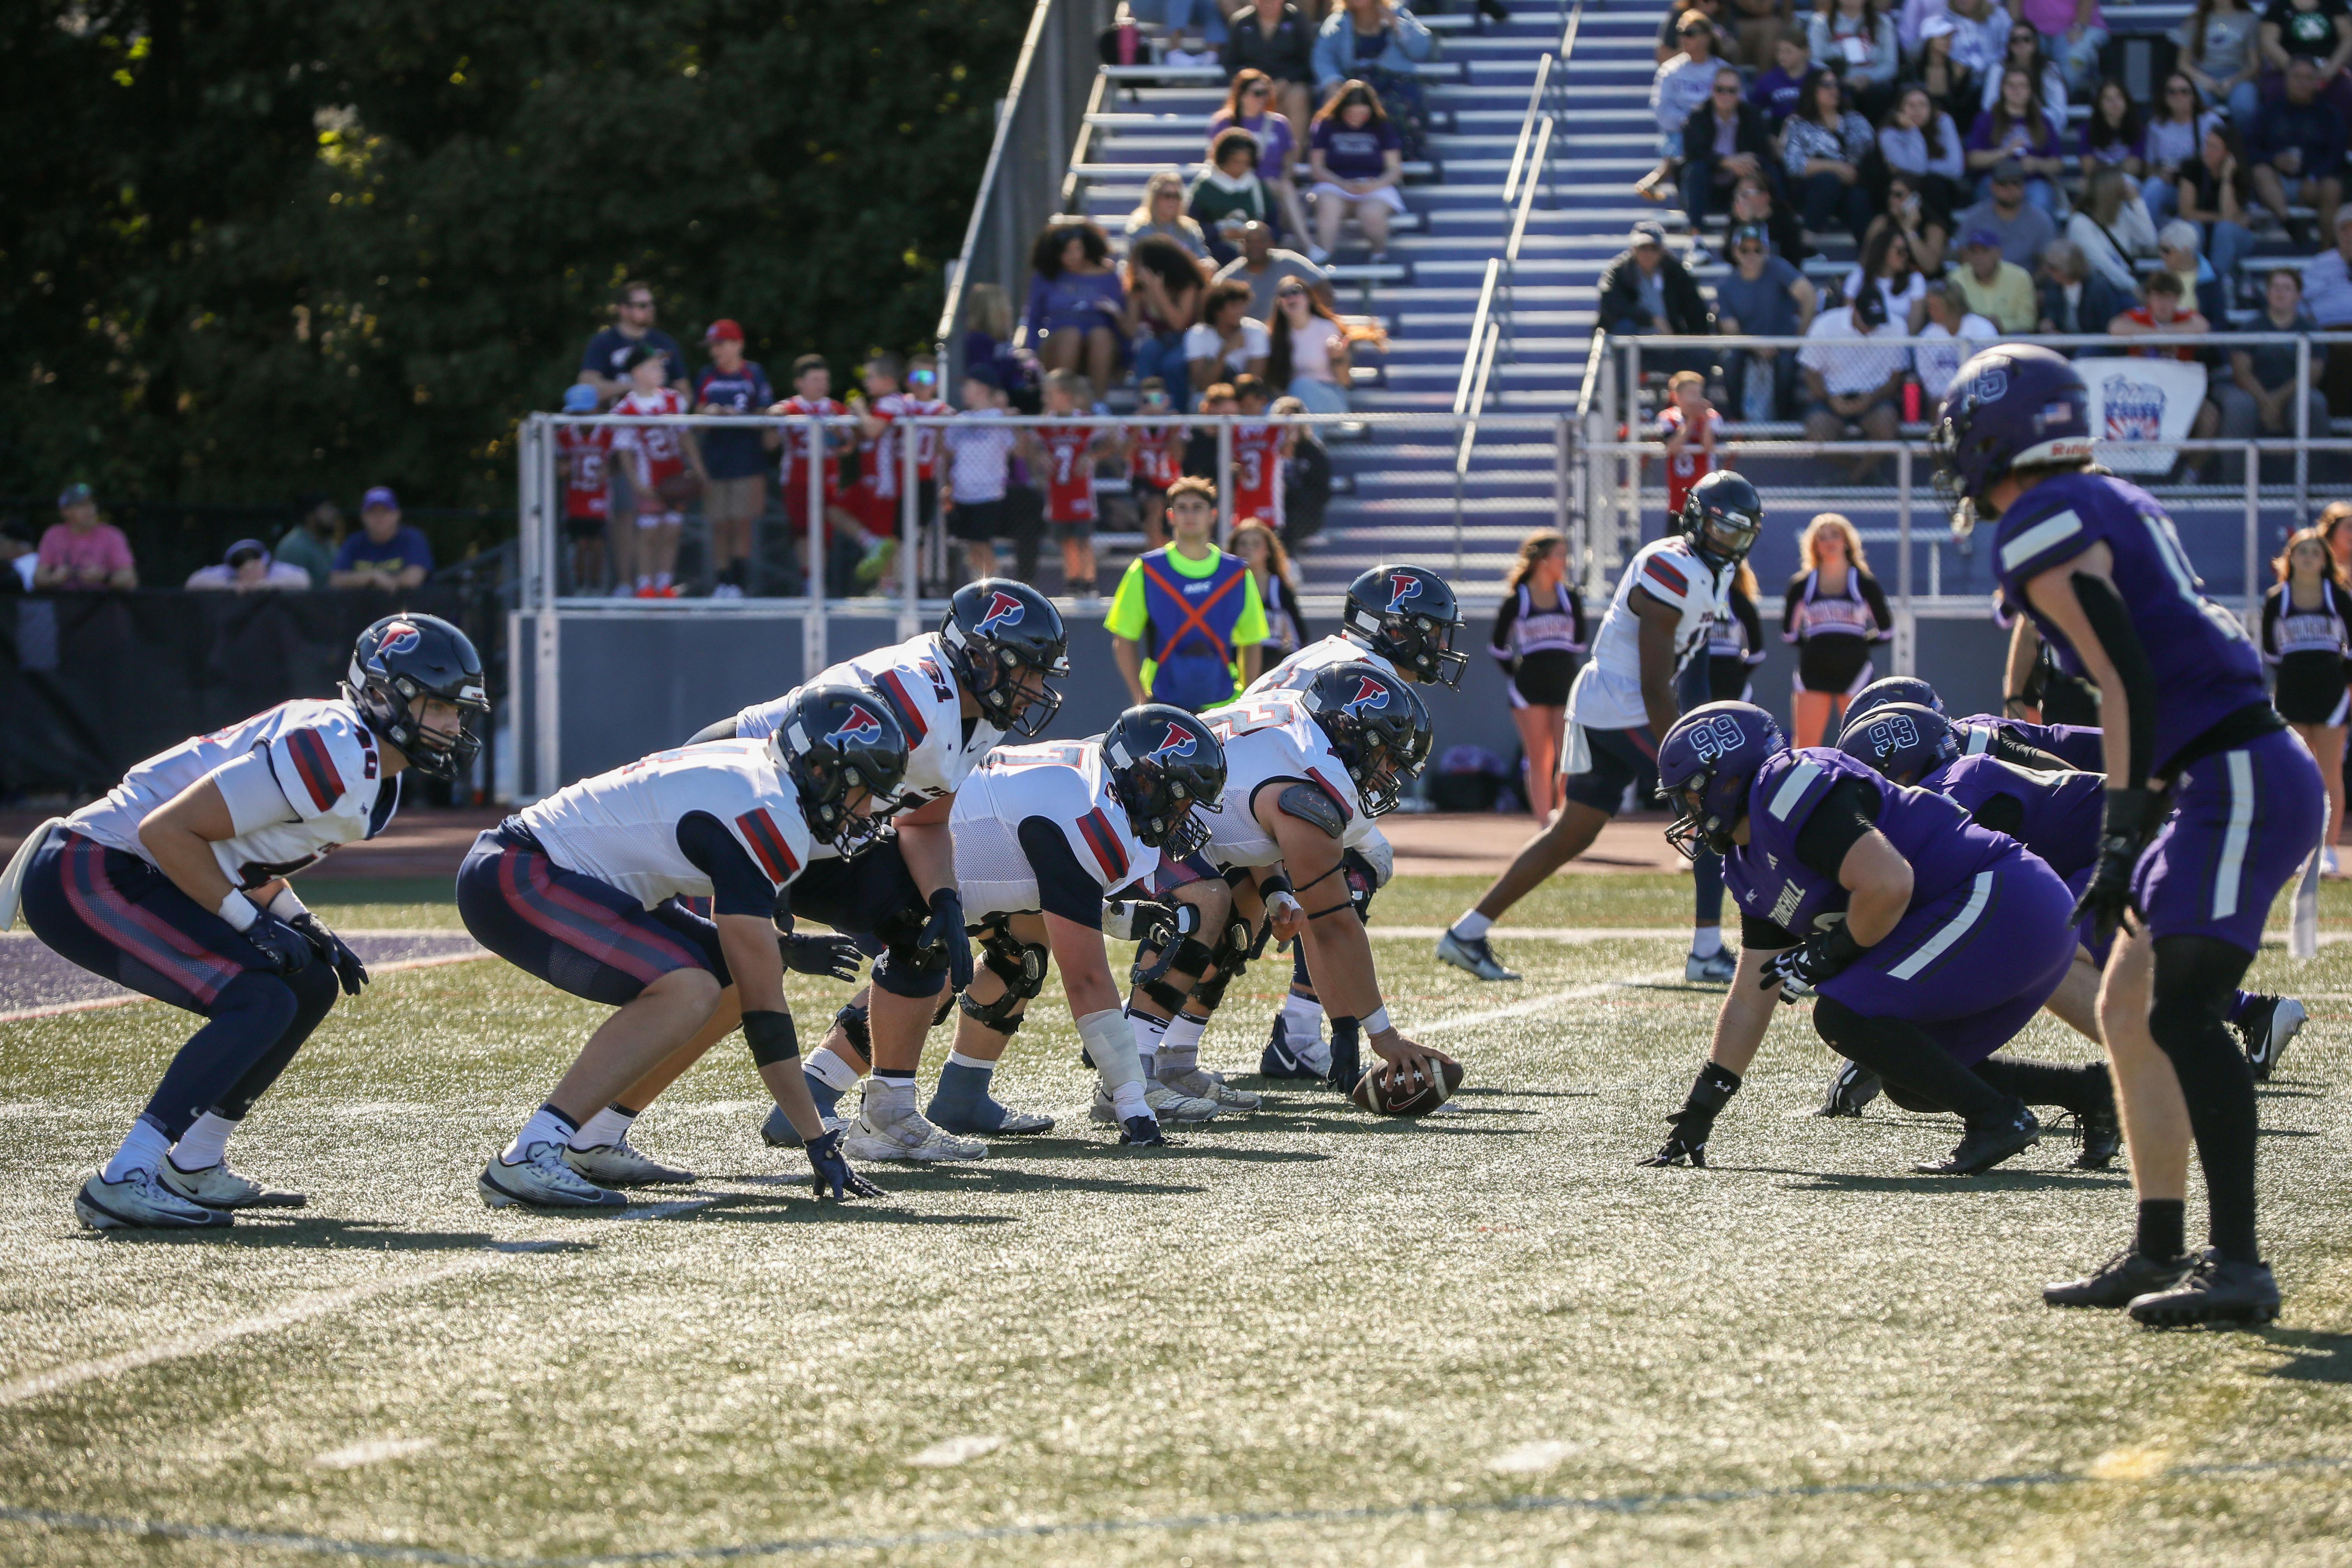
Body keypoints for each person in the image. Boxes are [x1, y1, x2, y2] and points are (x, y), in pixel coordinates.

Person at [1941, 342, 2322, 1325]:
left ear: (1995, 434)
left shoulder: (2039, 520)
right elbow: (2144, 673)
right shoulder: (2106, 496)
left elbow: (2124, 680)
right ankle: (2158, 1247)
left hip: (2233, 777)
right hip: (2221, 770)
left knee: (2185, 1009)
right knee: (2124, 1006)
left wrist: (2116, 837)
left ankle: (2236, 1263)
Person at [18, 617, 485, 1226]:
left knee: (310, 980)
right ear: (380, 693)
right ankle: (126, 1175)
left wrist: (299, 921)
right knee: (258, 998)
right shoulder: (335, 750)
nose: (452, 725)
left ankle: (195, 1161)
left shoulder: (367, 763)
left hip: (142, 866)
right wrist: (249, 921)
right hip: (91, 870)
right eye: (439, 706)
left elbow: (240, 856)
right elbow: (166, 832)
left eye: (458, 710)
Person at [464, 686, 900, 1207]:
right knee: (689, 988)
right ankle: (530, 1153)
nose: (869, 809)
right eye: (864, 789)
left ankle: (594, 1137)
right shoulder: (771, 813)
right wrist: (816, 1138)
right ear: (823, 772)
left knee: (727, 977)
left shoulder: (765, 775)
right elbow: (768, 1019)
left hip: (565, 876)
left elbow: (744, 953)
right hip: (519, 874)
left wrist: (778, 949)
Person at [691, 583, 1073, 1160]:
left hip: (818, 822)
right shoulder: (913, 694)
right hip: (735, 801)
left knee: (921, 930)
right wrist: (764, 879)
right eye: (1030, 672)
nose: (1039, 690)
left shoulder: (980, 709)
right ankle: (587, 1130)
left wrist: (944, 899)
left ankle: (889, 1113)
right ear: (980, 657)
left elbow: (921, 821)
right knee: (695, 983)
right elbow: (800, 769)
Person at [1642, 702, 2080, 1176]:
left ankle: (1997, 1120)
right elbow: (1752, 991)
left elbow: (1888, 883)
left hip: (2005, 899)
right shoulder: (1746, 865)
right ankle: (2091, 1095)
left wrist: (1827, 952)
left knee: (1844, 1013)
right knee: (1911, 1078)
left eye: (1689, 793)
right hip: (2001, 915)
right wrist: (1701, 1109)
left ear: (1727, 778)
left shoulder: (1786, 786)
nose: (1685, 809)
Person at [1438, 473, 1765, 987]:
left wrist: (1704, 722)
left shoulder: (1713, 572)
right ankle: (1706, 950)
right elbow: (1656, 683)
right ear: (1698, 521)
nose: (1728, 541)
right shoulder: (1669, 567)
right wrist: (1685, 754)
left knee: (1574, 830)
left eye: (1739, 533)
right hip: (1622, 704)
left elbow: (1695, 660)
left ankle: (1466, 931)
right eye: (1722, 529)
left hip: (1614, 703)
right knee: (1712, 807)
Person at [924, 706, 1234, 1145]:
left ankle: (961, 1096)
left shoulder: (1099, 784)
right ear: (1143, 782)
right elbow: (1086, 978)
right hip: (924, 862)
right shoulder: (1091, 812)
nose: (1184, 816)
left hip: (962, 856)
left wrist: (1110, 913)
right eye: (1181, 799)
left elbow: (1056, 880)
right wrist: (1132, 1102)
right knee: (914, 969)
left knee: (1020, 954)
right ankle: (822, 1094)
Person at [1241, 564, 1463, 1078]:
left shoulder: (1331, 654)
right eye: (1430, 631)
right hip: (1256, 812)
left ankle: (1293, 1031)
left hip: (1253, 802)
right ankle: (1298, 1033)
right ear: (1393, 627)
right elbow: (1318, 779)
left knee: (1350, 860)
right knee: (1356, 867)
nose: (1438, 645)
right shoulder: (1364, 674)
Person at [1109, 476, 1271, 710]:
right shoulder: (1145, 570)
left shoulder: (1237, 573)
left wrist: (1246, 700)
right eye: (1182, 508)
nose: (1190, 515)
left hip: (1224, 702)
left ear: (1212, 515)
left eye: (1198, 508)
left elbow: (1252, 641)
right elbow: (1123, 639)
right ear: (1171, 516)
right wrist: (1141, 700)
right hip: (1162, 701)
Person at [2262, 526, 2352, 875]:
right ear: (2290, 558)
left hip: (2331, 693)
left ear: (2326, 559)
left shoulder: (2339, 597)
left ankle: (2327, 849)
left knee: (2330, 772)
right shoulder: (2277, 598)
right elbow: (2271, 652)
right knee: (2296, 772)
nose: (2309, 558)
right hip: (2292, 693)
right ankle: (2295, 846)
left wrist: (2346, 687)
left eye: (2316, 552)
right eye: (2303, 552)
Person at [1490, 531, 1589, 822]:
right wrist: (1517, 672)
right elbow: (1497, 646)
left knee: (1567, 757)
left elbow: (1580, 642)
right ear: (1543, 560)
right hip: (1529, 685)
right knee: (1540, 758)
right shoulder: (1518, 599)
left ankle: (1564, 817)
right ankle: (1545, 823)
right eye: (1560, 554)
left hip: (1564, 680)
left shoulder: (1570, 597)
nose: (1565, 561)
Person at [771, 355, 882, 598]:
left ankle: (825, 574)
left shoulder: (834, 408)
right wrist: (774, 417)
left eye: (825, 379)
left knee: (827, 524)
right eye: (815, 379)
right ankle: (810, 581)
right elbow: (772, 434)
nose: (822, 384)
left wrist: (840, 437)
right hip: (798, 478)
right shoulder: (791, 407)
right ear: (800, 383)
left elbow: (848, 446)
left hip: (828, 475)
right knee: (804, 532)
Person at [1781, 513, 1895, 745]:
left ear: (1847, 541)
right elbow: (1788, 633)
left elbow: (1887, 630)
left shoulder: (1864, 582)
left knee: (1862, 746)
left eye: (1835, 535)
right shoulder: (1802, 584)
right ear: (1814, 546)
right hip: (1813, 674)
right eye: (1822, 538)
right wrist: (1815, 646)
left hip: (1855, 672)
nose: (1830, 541)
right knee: (1804, 749)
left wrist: (1858, 645)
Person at [607, 344, 706, 599]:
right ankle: (644, 584)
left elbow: (685, 438)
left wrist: (698, 469)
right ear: (638, 372)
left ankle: (665, 583)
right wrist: (637, 484)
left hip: (674, 472)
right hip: (648, 475)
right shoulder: (626, 409)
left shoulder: (674, 399)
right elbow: (625, 452)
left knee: (672, 529)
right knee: (649, 532)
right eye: (654, 366)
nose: (661, 370)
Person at [2218, 268, 2331, 475]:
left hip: (2293, 394)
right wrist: (2265, 402)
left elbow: (2313, 375)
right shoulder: (2250, 327)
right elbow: (2241, 372)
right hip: (2254, 394)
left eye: (2287, 288)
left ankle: (2313, 484)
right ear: (2268, 293)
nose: (2281, 293)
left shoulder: (2311, 330)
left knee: (2314, 403)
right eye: (2275, 288)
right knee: (2238, 405)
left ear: (2298, 295)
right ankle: (2233, 488)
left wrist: (2276, 402)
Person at [694, 319, 774, 600]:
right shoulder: (707, 375)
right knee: (719, 523)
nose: (715, 351)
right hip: (716, 460)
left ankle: (739, 581)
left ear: (738, 344)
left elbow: (766, 412)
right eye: (712, 346)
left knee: (742, 521)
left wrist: (737, 417)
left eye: (721, 344)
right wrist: (710, 414)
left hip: (748, 460)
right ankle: (722, 581)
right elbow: (697, 416)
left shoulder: (754, 373)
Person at [1798, 283, 1909, 483]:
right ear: (1854, 310)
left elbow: (1896, 378)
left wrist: (1871, 398)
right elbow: (1811, 373)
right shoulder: (1826, 324)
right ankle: (1866, 476)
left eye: (1876, 321)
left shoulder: (1897, 326)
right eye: (1867, 320)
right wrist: (1830, 399)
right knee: (1817, 434)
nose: (1872, 326)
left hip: (1876, 399)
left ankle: (1850, 480)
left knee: (1887, 426)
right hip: (1831, 397)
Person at [1019, 369, 1113, 599]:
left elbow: (1112, 439)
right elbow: (1028, 444)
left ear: (1066, 395)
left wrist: (1091, 457)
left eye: (1050, 393)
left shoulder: (1084, 421)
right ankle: (1073, 580)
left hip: (1080, 491)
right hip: (1058, 492)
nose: (1046, 399)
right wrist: (1040, 456)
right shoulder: (1046, 423)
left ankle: (1089, 581)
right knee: (1066, 540)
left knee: (1083, 539)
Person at [1714, 222, 1818, 421]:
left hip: (1784, 343)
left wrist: (1800, 338)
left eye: (1757, 249)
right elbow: (1731, 331)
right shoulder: (1726, 286)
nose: (1751, 255)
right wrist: (1756, 346)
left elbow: (1809, 296)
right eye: (1745, 250)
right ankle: (1739, 422)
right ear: (1735, 252)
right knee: (1729, 360)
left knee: (1787, 365)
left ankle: (1782, 423)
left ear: (1766, 250)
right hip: (1747, 346)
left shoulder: (1778, 268)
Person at [1023, 220, 1131, 407]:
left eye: (1077, 249)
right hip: (1057, 341)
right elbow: (1034, 320)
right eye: (1066, 251)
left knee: (1102, 335)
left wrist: (1126, 360)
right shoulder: (1046, 276)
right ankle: (1065, 404)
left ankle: (1099, 404)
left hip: (1099, 346)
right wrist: (1033, 351)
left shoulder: (1108, 275)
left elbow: (1121, 320)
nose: (1073, 256)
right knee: (1071, 335)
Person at [1209, 70, 1313, 249]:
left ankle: (1307, 246)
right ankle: (1307, 246)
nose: (1263, 98)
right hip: (1237, 185)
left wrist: (1283, 180)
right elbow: (1215, 161)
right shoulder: (1225, 123)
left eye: (1266, 93)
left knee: (1286, 191)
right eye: (1257, 93)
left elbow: (1289, 163)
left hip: (1273, 187)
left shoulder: (1279, 124)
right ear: (1241, 95)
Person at [2247, 56, 2345, 244]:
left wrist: (2314, 177)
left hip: (2313, 184)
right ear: (2287, 79)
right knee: (2260, 171)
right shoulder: (2268, 112)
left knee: (2333, 187)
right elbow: (2249, 149)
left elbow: (2336, 156)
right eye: (2297, 77)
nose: (2302, 83)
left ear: (2317, 82)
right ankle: (2289, 222)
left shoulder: (2331, 115)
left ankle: (2328, 256)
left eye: (2308, 78)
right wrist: (2273, 160)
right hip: (2275, 184)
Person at [1307, 79, 1407, 262]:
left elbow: (1394, 169)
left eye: (1362, 113)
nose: (1356, 118)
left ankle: (1379, 254)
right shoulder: (1327, 126)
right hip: (1335, 184)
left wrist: (1374, 185)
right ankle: (1324, 256)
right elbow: (1317, 167)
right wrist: (1342, 184)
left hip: (1375, 186)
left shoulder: (1382, 127)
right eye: (1351, 113)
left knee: (1371, 214)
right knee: (1329, 205)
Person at [1680, 65, 1775, 249]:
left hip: (1741, 185)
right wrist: (1726, 162)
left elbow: (1765, 151)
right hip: (1708, 188)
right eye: (1720, 89)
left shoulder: (1752, 115)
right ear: (1712, 90)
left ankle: (1774, 225)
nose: (1726, 95)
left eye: (1732, 91)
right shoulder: (1698, 115)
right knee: (1697, 170)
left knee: (1769, 171)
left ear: (1740, 93)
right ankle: (1696, 238)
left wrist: (1748, 159)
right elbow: (1693, 152)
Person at [1781, 68, 1876, 240]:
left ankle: (1867, 257)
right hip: (1812, 190)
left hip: (1851, 187)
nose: (1834, 90)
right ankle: (1807, 240)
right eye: (1827, 85)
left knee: (1859, 196)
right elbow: (1792, 164)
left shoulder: (1856, 120)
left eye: (1836, 85)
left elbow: (1872, 154)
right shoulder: (1797, 123)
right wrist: (1835, 167)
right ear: (1812, 90)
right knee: (1829, 181)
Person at [942, 365, 1017, 583]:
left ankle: (997, 585)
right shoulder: (960, 420)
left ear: (983, 389)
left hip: (988, 491)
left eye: (969, 385)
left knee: (981, 541)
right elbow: (948, 452)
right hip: (963, 493)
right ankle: (980, 585)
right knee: (969, 543)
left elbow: (1016, 449)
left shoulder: (1000, 418)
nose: (964, 390)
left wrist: (1013, 419)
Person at [1645, 14, 1729, 203]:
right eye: (1681, 33)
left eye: (1690, 33)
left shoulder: (1722, 70)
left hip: (1717, 133)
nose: (1683, 38)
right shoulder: (1669, 70)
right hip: (1681, 133)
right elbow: (1661, 110)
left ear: (1707, 37)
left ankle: (1660, 176)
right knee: (1683, 141)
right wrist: (1689, 123)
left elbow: (1737, 105)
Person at [1599, 221, 1716, 355]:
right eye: (1643, 247)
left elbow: (1695, 309)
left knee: (1703, 354)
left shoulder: (1675, 272)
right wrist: (1652, 319)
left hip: (1670, 340)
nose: (1648, 253)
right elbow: (1612, 306)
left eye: (1654, 248)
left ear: (1662, 250)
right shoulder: (1619, 272)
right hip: (1635, 344)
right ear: (1633, 249)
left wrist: (1693, 342)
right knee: (1625, 328)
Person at [2172, 137, 2254, 309]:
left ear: (2228, 153)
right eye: (2207, 145)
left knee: (2225, 229)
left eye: (2214, 147)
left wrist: (2226, 178)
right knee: (2192, 228)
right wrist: (2219, 218)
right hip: (2204, 233)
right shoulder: (2192, 167)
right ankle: (2191, 286)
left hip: (2235, 238)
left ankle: (2215, 288)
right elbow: (2187, 213)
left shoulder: (2240, 173)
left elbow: (2229, 218)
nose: (2207, 151)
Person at [1965, 75, 2065, 213]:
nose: (2017, 90)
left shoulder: (2044, 122)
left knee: (2041, 197)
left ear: (2031, 91)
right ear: (2002, 89)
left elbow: (2057, 164)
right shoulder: (1986, 120)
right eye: (2011, 86)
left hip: (2032, 181)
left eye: (2023, 86)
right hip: (1996, 180)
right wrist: (2004, 153)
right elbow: (1973, 159)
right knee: (1987, 190)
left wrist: (2037, 164)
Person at [1223, 0, 1319, 141]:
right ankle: (1246, 150)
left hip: (1289, 82)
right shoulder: (1241, 21)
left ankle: (1293, 159)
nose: (1268, 4)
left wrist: (1287, 81)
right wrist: (1252, 83)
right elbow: (1230, 62)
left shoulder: (1297, 19)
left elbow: (1307, 60)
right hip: (1253, 83)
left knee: (1299, 96)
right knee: (1250, 96)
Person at [1130, 233, 1215, 392]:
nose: (1137, 269)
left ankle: (1176, 412)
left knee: (1172, 364)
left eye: (1141, 264)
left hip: (1189, 340)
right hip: (1160, 339)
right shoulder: (1140, 289)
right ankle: (1153, 406)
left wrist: (1157, 290)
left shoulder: (1188, 285)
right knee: (1147, 353)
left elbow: (1178, 324)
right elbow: (1130, 329)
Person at [578, 280, 687, 402]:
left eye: (652, 304)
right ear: (624, 310)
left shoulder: (666, 343)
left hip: (658, 419)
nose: (651, 309)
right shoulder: (602, 343)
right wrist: (634, 387)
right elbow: (587, 388)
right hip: (615, 418)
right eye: (643, 305)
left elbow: (685, 392)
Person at [1266, 273, 1359, 414]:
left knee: (1302, 386)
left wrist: (1338, 358)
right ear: (1279, 303)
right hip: (1292, 402)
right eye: (1284, 294)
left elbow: (1345, 382)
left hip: (1331, 398)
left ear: (1309, 297)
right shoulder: (1274, 337)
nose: (1291, 297)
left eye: (1296, 291)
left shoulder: (1327, 328)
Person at [553, 385, 615, 593]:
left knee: (598, 545)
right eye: (576, 412)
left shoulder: (607, 433)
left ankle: (597, 585)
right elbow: (560, 464)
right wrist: (562, 468)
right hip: (575, 499)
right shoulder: (565, 435)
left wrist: (610, 470)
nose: (580, 416)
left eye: (584, 411)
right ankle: (580, 586)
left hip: (600, 498)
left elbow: (617, 463)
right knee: (580, 545)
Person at [1189, 128, 1277, 266]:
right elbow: (1192, 225)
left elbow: (1273, 223)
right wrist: (1219, 233)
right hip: (1215, 250)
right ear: (1223, 159)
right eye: (1236, 162)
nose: (1241, 168)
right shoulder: (1205, 186)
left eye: (1246, 162)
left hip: (1254, 249)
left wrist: (1254, 236)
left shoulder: (1256, 186)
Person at [2066, 164, 2158, 296]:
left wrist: (2137, 202)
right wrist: (2133, 286)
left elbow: (2150, 240)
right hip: (2095, 290)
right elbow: (2102, 264)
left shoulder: (2122, 213)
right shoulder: (2080, 222)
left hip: (2121, 285)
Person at [2142, 72, 2221, 222]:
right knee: (2154, 185)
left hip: (2201, 189)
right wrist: (2160, 174)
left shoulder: (2210, 122)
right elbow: (2148, 168)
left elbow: (2225, 160)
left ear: (2194, 95)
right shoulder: (2156, 126)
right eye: (2172, 92)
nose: (2178, 96)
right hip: (2171, 188)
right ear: (2165, 97)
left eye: (2184, 91)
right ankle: (2145, 238)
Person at [1878, 86, 1967, 219]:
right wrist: (1913, 131)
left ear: (1931, 108)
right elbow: (1917, 170)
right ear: (1900, 109)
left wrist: (1926, 166)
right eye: (1911, 105)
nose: (1917, 110)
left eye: (1923, 105)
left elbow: (1955, 168)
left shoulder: (1943, 122)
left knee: (1934, 183)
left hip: (1941, 187)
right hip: (1904, 188)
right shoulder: (1889, 134)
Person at [1213, 220, 1331, 320]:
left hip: (1288, 333)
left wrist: (1314, 321)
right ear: (1241, 245)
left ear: (1271, 243)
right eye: (1249, 241)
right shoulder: (1229, 278)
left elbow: (1322, 287)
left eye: (1260, 241)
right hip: (1248, 339)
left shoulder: (1289, 262)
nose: (1255, 246)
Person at [1185, 278, 1272, 407]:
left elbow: (1254, 384)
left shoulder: (1256, 331)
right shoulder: (1197, 334)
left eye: (1243, 305)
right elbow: (1202, 386)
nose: (1241, 311)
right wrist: (1225, 352)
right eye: (1234, 306)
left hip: (1246, 399)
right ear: (1218, 311)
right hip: (1214, 398)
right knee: (1199, 401)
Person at [1656, 370, 1726, 529]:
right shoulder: (1668, 417)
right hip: (1678, 497)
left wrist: (1704, 419)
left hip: (1705, 496)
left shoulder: (1712, 417)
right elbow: (1672, 447)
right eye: (1691, 393)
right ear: (1677, 396)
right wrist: (1691, 421)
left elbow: (1709, 446)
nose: (1696, 398)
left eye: (1699, 393)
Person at [34, 483, 137, 591]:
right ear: (65, 512)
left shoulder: (112, 535)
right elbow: (38, 579)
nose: (89, 509)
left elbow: (131, 579)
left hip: (103, 603)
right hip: (64, 602)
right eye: (82, 505)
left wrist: (104, 578)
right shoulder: (54, 535)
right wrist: (53, 579)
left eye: (91, 504)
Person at [1807, 0, 1900, 118]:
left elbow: (1890, 65)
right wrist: (1838, 80)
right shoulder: (1820, 22)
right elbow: (1815, 61)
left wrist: (1869, 78)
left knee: (1882, 92)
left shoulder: (1883, 23)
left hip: (1873, 85)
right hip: (1836, 81)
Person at [1227, 374, 1294, 535]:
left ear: (1262, 400)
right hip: (1243, 501)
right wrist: (1236, 469)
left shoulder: (1273, 427)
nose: (1246, 406)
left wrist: (1288, 429)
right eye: (1241, 402)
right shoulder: (1233, 429)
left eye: (1250, 402)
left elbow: (1287, 453)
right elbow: (1228, 462)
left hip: (1269, 502)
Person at [328, 487, 432, 592]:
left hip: (406, 605)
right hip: (362, 606)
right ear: (363, 516)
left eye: (385, 511)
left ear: (397, 515)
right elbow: (335, 580)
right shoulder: (354, 542)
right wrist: (372, 577)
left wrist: (386, 581)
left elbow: (414, 579)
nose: (379, 517)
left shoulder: (412, 538)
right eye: (373, 512)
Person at [1232, 520, 1309, 658]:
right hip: (1236, 657)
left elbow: (1300, 638)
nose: (1248, 549)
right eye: (1243, 544)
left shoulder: (1278, 588)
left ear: (1267, 550)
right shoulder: (1226, 587)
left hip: (1270, 662)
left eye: (1256, 544)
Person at [2179, 0, 2264, 124]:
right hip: (2203, 76)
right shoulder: (2194, 20)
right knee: (2195, 104)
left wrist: (2232, 81)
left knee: (2245, 107)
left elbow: (2254, 65)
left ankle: (2242, 143)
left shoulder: (2250, 19)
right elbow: (2183, 63)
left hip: (2239, 77)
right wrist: (2203, 79)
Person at [1915, 279, 2000, 402]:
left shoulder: (1983, 329)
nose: (1930, 311)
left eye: (1935, 307)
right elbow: (1928, 378)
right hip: (1943, 398)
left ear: (1952, 307)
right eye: (1929, 307)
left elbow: (1994, 368)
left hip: (1981, 396)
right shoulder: (1927, 337)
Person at [1129, 377, 1185, 549]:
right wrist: (1138, 427)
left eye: (1158, 400)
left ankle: (1162, 554)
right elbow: (1126, 455)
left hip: (1171, 481)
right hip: (1144, 479)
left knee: (1166, 525)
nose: (1153, 405)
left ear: (1167, 401)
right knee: (1154, 510)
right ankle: (1156, 560)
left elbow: (1178, 456)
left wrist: (1171, 429)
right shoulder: (1132, 424)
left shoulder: (1175, 423)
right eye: (1147, 400)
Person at [1842, 224, 1931, 332]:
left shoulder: (1915, 279)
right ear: (1883, 251)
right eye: (1900, 251)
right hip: (1863, 342)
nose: (1905, 256)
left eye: (1907, 251)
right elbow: (1847, 316)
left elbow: (1914, 326)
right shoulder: (1858, 277)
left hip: (1899, 343)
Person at [1978, 20, 2070, 125]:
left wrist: (2029, 118)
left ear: (2035, 43)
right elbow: (1988, 106)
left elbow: (2059, 112)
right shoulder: (1998, 69)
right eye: (2015, 40)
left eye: (2027, 39)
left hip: (2040, 128)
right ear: (2009, 45)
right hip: (2004, 126)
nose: (2021, 44)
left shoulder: (2049, 69)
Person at [1954, 224, 2042, 330]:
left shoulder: (2020, 277)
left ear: (1998, 253)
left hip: (2009, 340)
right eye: (1974, 252)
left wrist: (2000, 324)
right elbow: (1952, 320)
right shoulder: (1956, 279)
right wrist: (1981, 325)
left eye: (1985, 251)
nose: (1979, 258)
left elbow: (2028, 322)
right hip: (1971, 339)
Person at [1707, 560, 1769, 700]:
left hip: (1705, 683)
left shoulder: (1740, 602)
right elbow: (1757, 653)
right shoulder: (1741, 601)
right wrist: (1735, 670)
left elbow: (1757, 653)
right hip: (1732, 681)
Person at [1278, 394, 1333, 549]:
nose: (1288, 426)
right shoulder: (1268, 450)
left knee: (1287, 526)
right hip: (1271, 511)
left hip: (1303, 516)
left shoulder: (1313, 453)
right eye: (1282, 419)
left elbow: (1321, 494)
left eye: (1292, 420)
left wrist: (1292, 490)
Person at [1126, 170, 1213, 262]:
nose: (1172, 201)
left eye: (1177, 196)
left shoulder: (1190, 229)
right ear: (1155, 198)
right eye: (1167, 196)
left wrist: (1208, 264)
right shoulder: (1140, 229)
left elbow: (1202, 257)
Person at [2079, 76, 2144, 182]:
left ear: (2126, 101)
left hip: (2126, 181)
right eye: (2108, 99)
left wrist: (2104, 168)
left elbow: (2134, 168)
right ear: (2100, 104)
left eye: (2119, 98)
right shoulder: (2088, 129)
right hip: (2099, 181)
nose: (2115, 103)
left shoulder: (2136, 127)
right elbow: (2088, 168)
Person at [274, 494, 343, 590]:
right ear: (310, 516)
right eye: (327, 508)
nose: (334, 513)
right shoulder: (293, 546)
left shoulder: (329, 543)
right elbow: (288, 591)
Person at [185, 539, 310, 592]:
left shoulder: (275, 570)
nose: (252, 574)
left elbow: (304, 580)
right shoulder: (228, 574)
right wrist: (232, 587)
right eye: (246, 571)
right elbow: (193, 582)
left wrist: (264, 586)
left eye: (256, 568)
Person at [1748, 31, 1814, 126]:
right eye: (1779, 51)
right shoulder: (1768, 80)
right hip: (1778, 131)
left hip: (1814, 130)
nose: (1782, 56)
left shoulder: (1818, 77)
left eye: (1788, 51)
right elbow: (1753, 112)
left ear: (1805, 52)